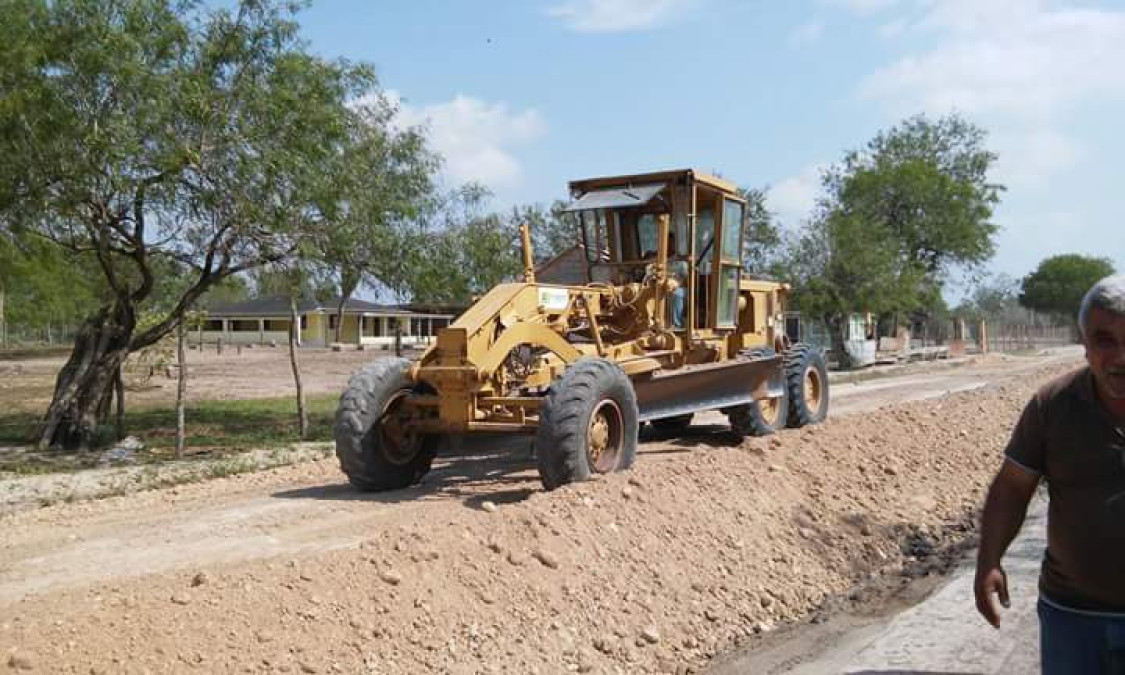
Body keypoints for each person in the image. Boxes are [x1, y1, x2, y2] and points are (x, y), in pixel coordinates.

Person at [974, 274, 1125, 674]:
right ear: (1084, 344)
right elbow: (1012, 487)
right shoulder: (1052, 405)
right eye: (1105, 340)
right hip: (1072, 618)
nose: (1121, 357)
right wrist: (989, 560)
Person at [666, 232, 688, 329]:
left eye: (670, 242)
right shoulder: (656, 261)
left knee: (676, 294)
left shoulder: (681, 263)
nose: (668, 245)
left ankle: (676, 325)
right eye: (666, 242)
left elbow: (687, 280)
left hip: (679, 288)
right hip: (661, 288)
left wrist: (676, 284)